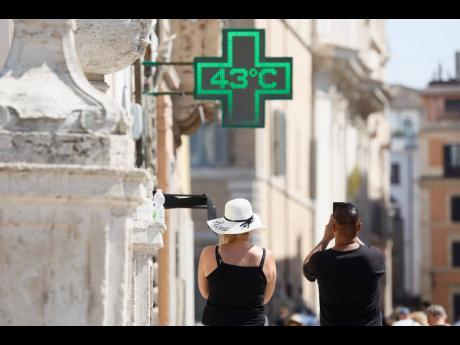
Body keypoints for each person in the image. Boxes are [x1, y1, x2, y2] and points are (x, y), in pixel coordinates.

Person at [302, 202, 385, 326]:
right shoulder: (375, 256)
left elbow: (306, 268)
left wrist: (325, 239)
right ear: (359, 227)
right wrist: (352, 232)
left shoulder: (321, 260)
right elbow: (364, 249)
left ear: (333, 228)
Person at [198, 198, 277, 326]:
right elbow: (265, 298)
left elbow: (205, 293)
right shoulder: (266, 257)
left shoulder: (209, 254)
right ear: (250, 228)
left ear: (226, 226)